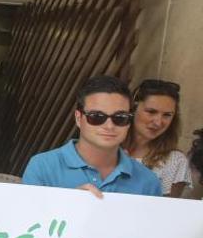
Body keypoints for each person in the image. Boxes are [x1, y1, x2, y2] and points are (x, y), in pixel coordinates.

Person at [22, 75, 161, 197]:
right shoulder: (43, 167)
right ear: (78, 118)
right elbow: (26, 223)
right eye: (97, 117)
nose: (109, 126)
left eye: (120, 117)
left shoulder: (148, 181)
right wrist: (65, 205)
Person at [123, 79, 190, 197]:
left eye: (167, 115)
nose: (158, 122)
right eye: (151, 112)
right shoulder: (107, 148)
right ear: (132, 109)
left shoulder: (174, 161)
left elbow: (166, 212)